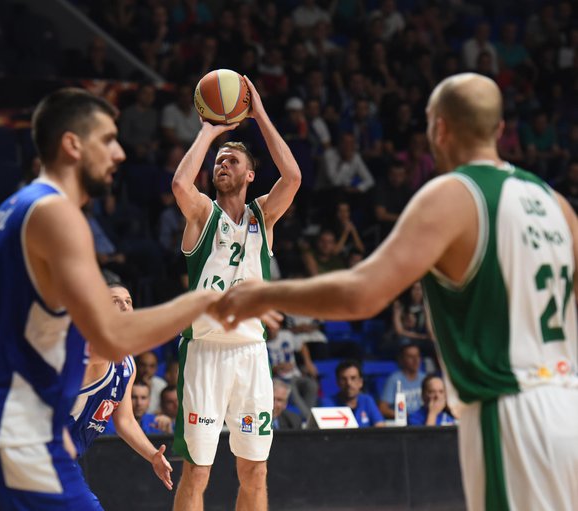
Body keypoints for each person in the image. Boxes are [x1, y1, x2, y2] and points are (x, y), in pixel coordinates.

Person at [216, 73, 578, 511]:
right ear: (500, 129)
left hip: (512, 416)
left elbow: (361, 294)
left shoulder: (453, 194)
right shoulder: (557, 204)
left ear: (438, 129)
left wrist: (262, 295)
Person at [0, 88, 219, 510]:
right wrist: (208, 300)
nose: (119, 153)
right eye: (107, 139)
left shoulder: (12, 209)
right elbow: (109, 337)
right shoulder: (57, 215)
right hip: (2, 439)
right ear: (71, 144)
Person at [171, 75, 301, 511]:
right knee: (199, 471)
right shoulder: (202, 214)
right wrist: (211, 129)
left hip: (251, 354)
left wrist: (259, 113)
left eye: (231, 161)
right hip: (204, 353)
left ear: (249, 174)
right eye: (218, 161)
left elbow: (293, 176)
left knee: (255, 471)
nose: (221, 165)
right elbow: (179, 185)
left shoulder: (262, 216)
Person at [68, 282, 173, 499]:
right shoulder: (93, 351)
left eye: (128, 302)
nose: (125, 307)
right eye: (115, 301)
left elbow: (125, 421)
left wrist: (152, 455)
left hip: (66, 458)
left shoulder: (128, 365)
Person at [320, 359, 384, 427]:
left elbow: (380, 426)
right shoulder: (328, 403)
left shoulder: (367, 400)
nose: (349, 383)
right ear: (337, 382)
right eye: (344, 379)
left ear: (361, 382)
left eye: (353, 378)